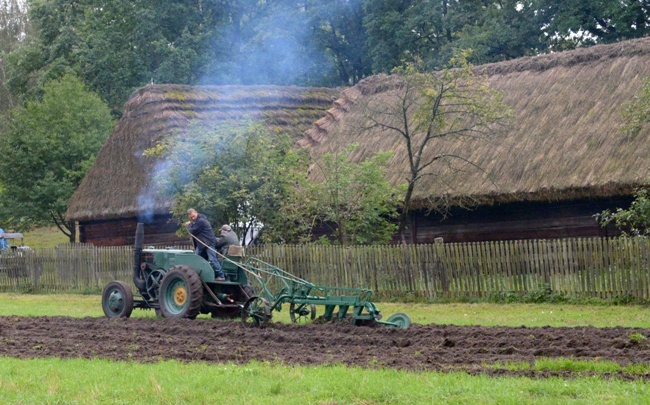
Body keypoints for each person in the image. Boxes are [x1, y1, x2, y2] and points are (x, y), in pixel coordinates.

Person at [184, 208, 226, 281]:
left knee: (212, 259)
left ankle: (221, 275)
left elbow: (193, 231)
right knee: (196, 259)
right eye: (191, 217)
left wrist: (188, 226)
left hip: (208, 243)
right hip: (202, 244)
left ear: (196, 213)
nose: (192, 218)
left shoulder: (201, 221)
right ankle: (197, 275)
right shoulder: (197, 222)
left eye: (193, 216)